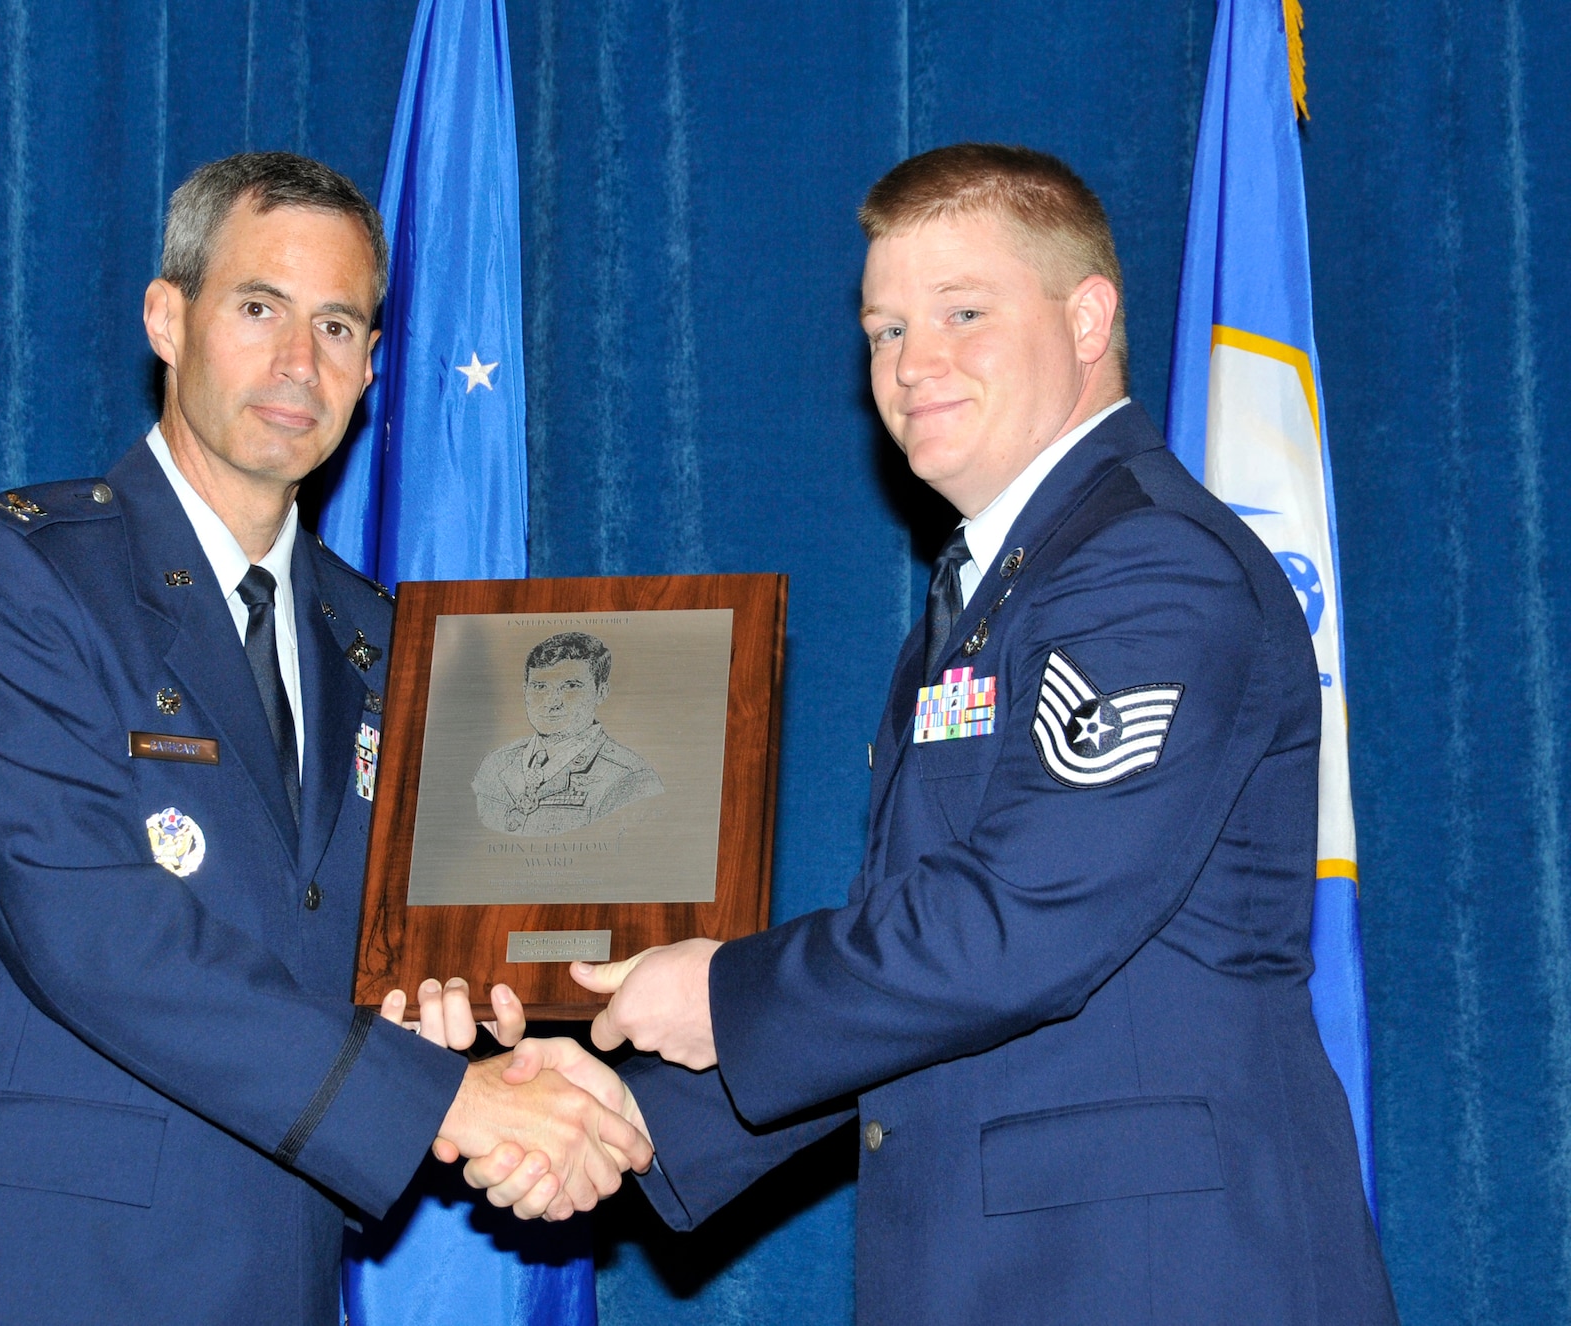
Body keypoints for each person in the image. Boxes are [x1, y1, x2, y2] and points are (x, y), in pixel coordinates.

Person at [480, 144, 1399, 1323]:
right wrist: (634, 1117)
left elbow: (1017, 922)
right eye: (883, 331)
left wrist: (725, 992)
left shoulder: (1149, 569)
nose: (913, 365)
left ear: (1086, 318)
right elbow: (916, 985)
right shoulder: (987, 596)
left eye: (961, 313)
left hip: (1155, 1271)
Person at [0, 152, 648, 1325]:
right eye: (259, 308)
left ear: (371, 367)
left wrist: (478, 1017)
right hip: (40, 1265)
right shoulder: (19, 575)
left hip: (273, 1268)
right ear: (166, 318)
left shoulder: (384, 643)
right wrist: (449, 1107)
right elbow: (94, 931)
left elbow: (389, 945)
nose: (298, 363)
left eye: (338, 325)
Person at [473, 631, 664, 835]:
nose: (552, 702)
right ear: (525, 691)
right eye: (540, 687)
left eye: (571, 686)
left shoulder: (631, 779)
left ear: (601, 692)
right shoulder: (494, 764)